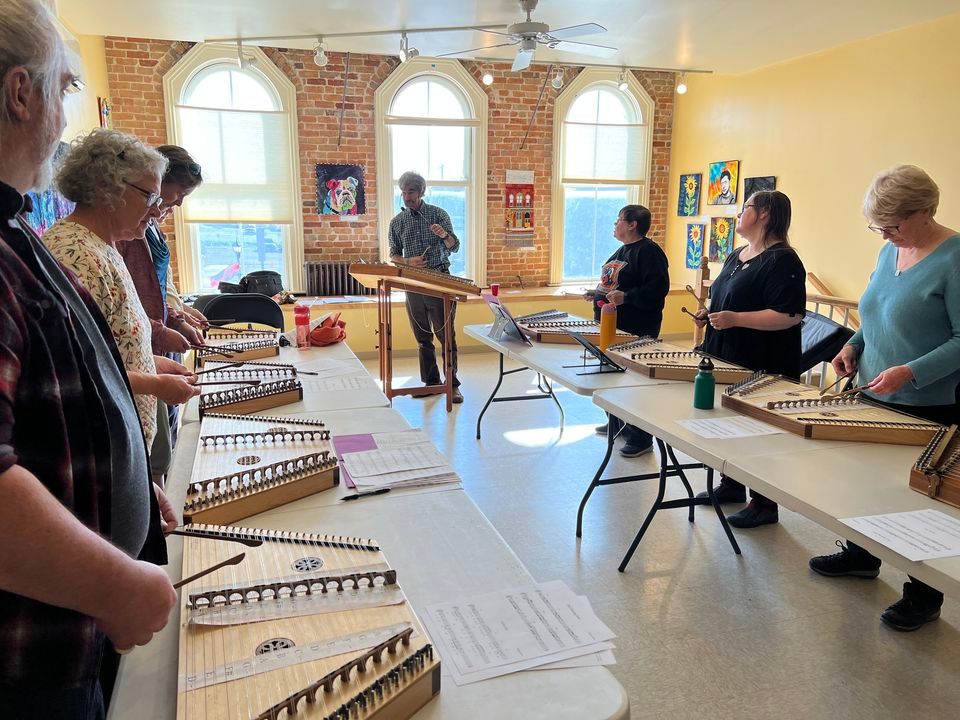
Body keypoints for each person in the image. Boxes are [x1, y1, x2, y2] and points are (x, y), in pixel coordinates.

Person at [0, 2, 177, 715]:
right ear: (20, 93)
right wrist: (112, 582)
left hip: (68, 630)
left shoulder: (15, 230)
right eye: (65, 87)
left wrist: (125, 475)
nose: (67, 118)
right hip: (30, 663)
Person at [809, 165, 960, 631]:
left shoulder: (954, 257)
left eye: (894, 225)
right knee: (866, 485)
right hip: (875, 391)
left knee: (922, 502)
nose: (887, 234)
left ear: (926, 211)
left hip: (930, 402)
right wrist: (853, 345)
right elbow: (874, 314)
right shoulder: (889, 252)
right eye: (880, 226)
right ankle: (861, 555)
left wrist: (911, 372)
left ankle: (923, 594)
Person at [42, 129, 200, 454]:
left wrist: (151, 362)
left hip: (124, 439)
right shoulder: (76, 255)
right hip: (101, 446)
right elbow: (76, 372)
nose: (158, 211)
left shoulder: (105, 246)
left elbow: (110, 343)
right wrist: (154, 383)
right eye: (150, 198)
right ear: (107, 188)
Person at [693, 191, 806, 527]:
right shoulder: (737, 254)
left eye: (746, 208)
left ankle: (764, 505)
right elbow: (725, 299)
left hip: (763, 361)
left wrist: (735, 318)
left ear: (766, 215)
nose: (739, 214)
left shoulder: (782, 260)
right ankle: (731, 485)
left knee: (759, 435)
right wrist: (708, 312)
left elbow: (789, 315)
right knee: (728, 426)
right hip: (727, 354)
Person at [118, 144, 206, 460]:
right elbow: (129, 301)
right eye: (179, 191)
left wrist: (180, 310)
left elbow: (160, 282)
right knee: (153, 448)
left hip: (156, 338)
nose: (179, 201)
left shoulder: (151, 224)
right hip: (144, 346)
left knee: (165, 433)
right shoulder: (128, 232)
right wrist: (164, 326)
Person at [590, 205, 670, 457]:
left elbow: (657, 290)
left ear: (633, 224)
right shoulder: (622, 250)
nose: (615, 225)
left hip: (637, 328)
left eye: (618, 220)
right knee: (610, 377)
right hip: (613, 326)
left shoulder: (649, 252)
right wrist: (597, 295)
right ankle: (619, 422)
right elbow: (612, 281)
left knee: (632, 382)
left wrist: (627, 297)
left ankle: (641, 436)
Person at [388, 171, 463, 403]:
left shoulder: (439, 214)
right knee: (423, 338)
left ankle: (452, 385)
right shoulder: (397, 222)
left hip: (440, 280)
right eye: (403, 192)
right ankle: (431, 383)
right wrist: (409, 262)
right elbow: (393, 255)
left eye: (411, 191)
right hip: (413, 285)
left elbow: (455, 246)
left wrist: (445, 235)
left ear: (421, 192)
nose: (406, 196)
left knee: (446, 337)